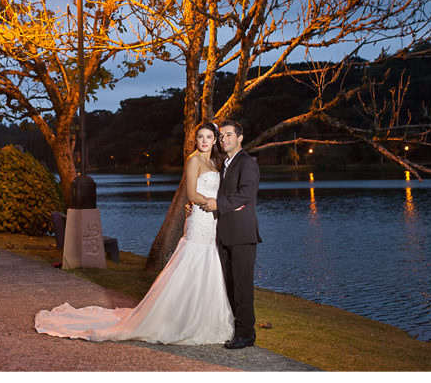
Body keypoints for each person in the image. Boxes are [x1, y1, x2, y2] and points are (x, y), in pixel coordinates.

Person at [34, 122, 234, 345]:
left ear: (215, 140)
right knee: (192, 262)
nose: (204, 141)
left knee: (208, 263)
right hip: (200, 219)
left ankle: (204, 316)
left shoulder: (214, 161)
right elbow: (191, 194)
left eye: (208, 137)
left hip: (211, 221)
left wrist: (218, 205)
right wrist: (214, 203)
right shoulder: (194, 159)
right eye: (200, 136)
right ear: (195, 139)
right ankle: (180, 319)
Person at [193, 119, 261, 349]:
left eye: (229, 135)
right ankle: (233, 328)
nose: (223, 140)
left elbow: (246, 194)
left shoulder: (247, 163)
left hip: (242, 234)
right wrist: (198, 205)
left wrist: (217, 204)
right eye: (221, 136)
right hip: (223, 233)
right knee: (228, 285)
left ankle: (246, 333)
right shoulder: (224, 164)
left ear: (240, 138)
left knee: (242, 286)